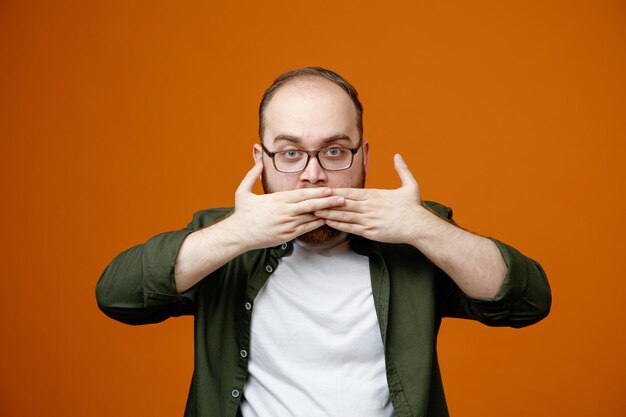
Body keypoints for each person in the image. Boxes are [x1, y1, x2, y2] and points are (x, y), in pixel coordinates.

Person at [96, 66, 551, 417]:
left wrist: (421, 227)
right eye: (291, 153)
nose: (313, 174)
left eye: (334, 151)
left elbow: (528, 301)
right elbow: (117, 296)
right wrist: (237, 233)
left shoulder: (411, 233)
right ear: (261, 159)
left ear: (363, 156)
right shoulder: (224, 238)